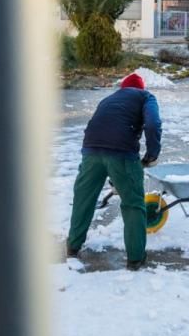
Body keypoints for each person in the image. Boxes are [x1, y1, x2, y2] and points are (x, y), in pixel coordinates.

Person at [67, 72, 162, 269]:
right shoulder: (146, 97)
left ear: (123, 88)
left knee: (83, 199)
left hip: (91, 150)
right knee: (133, 204)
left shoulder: (109, 98)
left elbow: (100, 125)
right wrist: (152, 154)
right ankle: (136, 259)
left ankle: (73, 247)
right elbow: (153, 124)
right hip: (122, 153)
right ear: (140, 88)